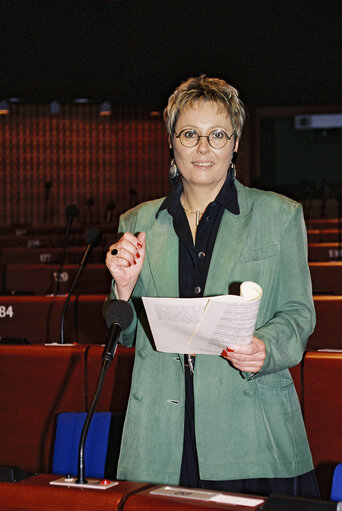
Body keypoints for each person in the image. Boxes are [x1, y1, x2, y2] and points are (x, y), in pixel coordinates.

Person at [105, 75, 319, 497]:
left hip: (251, 427)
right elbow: (126, 335)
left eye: (217, 134)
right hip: (160, 439)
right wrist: (122, 290)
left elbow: (299, 314)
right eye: (190, 134)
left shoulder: (279, 215)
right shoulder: (137, 223)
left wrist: (266, 347)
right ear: (172, 141)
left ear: (235, 142)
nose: (203, 148)